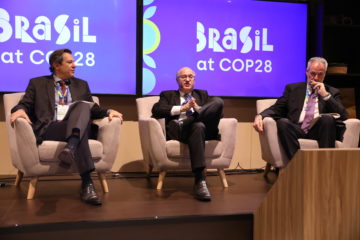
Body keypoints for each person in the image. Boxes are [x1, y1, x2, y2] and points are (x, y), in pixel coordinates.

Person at [10, 48, 123, 205]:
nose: (74, 65)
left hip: (76, 125)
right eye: (69, 62)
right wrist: (19, 110)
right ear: (56, 65)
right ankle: (87, 183)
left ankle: (71, 146)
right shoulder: (38, 83)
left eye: (74, 62)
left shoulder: (82, 85)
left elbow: (94, 110)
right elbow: (24, 104)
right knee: (81, 129)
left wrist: (109, 111)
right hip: (52, 127)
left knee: (83, 106)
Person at [253, 57, 348, 161]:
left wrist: (325, 96)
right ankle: (298, 164)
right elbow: (277, 109)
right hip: (297, 129)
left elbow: (343, 116)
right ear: (307, 72)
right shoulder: (293, 89)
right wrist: (260, 115)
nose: (316, 78)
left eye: (320, 74)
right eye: (313, 73)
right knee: (283, 122)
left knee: (327, 119)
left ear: (324, 74)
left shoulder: (332, 92)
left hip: (319, 131)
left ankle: (324, 167)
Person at [152, 67, 223, 201]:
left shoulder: (203, 94)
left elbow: (218, 113)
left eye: (190, 76)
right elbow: (156, 110)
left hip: (205, 131)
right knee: (198, 125)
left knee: (218, 102)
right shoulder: (167, 95)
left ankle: (195, 117)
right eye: (183, 77)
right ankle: (200, 180)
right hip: (181, 131)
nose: (187, 79)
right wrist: (182, 109)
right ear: (177, 80)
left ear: (194, 80)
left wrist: (199, 110)